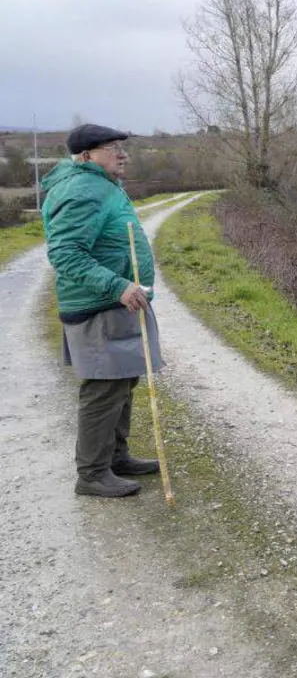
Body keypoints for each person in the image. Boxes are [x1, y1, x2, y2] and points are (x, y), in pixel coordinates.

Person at [41, 123, 163, 498]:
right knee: (104, 387)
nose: (122, 154)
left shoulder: (102, 185)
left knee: (123, 379)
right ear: (86, 156)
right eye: (112, 148)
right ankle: (92, 473)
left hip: (116, 301)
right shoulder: (82, 189)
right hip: (99, 304)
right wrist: (116, 285)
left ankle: (115, 457)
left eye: (122, 147)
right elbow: (65, 253)